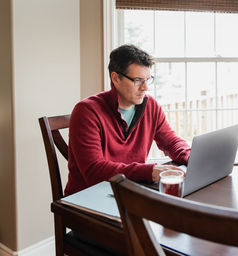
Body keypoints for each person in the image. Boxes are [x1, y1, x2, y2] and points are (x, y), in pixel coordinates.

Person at [65, 44, 190, 196]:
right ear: (116, 78)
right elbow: (94, 171)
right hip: (89, 197)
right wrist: (150, 171)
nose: (145, 88)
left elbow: (171, 142)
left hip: (129, 190)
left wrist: (192, 158)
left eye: (147, 80)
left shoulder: (150, 105)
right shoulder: (86, 111)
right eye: (138, 80)